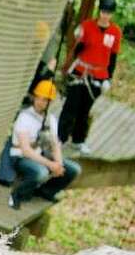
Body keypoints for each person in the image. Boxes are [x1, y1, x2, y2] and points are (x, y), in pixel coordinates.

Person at [60, 0, 122, 156]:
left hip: (99, 74)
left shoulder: (115, 32)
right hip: (81, 71)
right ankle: (60, 138)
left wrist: (109, 78)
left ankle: (78, 141)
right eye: (103, 11)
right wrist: (79, 41)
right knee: (70, 107)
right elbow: (76, 50)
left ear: (112, 14)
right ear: (99, 10)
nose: (105, 15)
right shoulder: (87, 26)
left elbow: (113, 57)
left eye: (108, 12)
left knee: (85, 109)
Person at [6, 80, 80, 209]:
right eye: (38, 98)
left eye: (45, 100)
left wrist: (59, 164)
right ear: (34, 97)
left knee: (73, 170)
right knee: (41, 172)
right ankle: (17, 195)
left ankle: (45, 192)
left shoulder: (50, 119)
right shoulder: (25, 117)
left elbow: (55, 143)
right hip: (20, 156)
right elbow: (26, 150)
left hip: (39, 154)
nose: (40, 102)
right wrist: (50, 164)